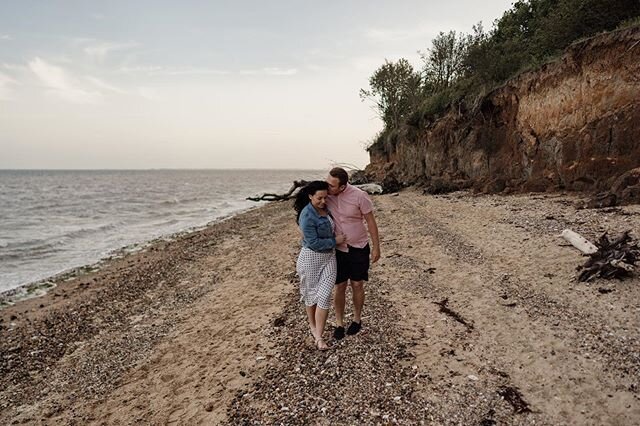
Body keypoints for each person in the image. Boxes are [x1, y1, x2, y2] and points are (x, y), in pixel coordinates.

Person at [326, 167, 380, 339]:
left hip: (359, 247)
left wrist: (377, 247)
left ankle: (357, 319)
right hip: (339, 249)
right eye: (327, 183)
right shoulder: (327, 195)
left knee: (357, 284)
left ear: (342, 186)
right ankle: (339, 323)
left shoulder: (359, 195)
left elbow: (371, 222)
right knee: (340, 286)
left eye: (332, 186)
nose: (328, 188)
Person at [294, 180, 347, 350]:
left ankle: (319, 336)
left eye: (325, 197)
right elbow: (314, 243)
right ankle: (315, 330)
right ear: (310, 196)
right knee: (311, 296)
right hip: (311, 258)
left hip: (329, 258)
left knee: (324, 296)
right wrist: (335, 241)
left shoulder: (327, 207)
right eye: (319, 198)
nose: (323, 201)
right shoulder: (306, 215)